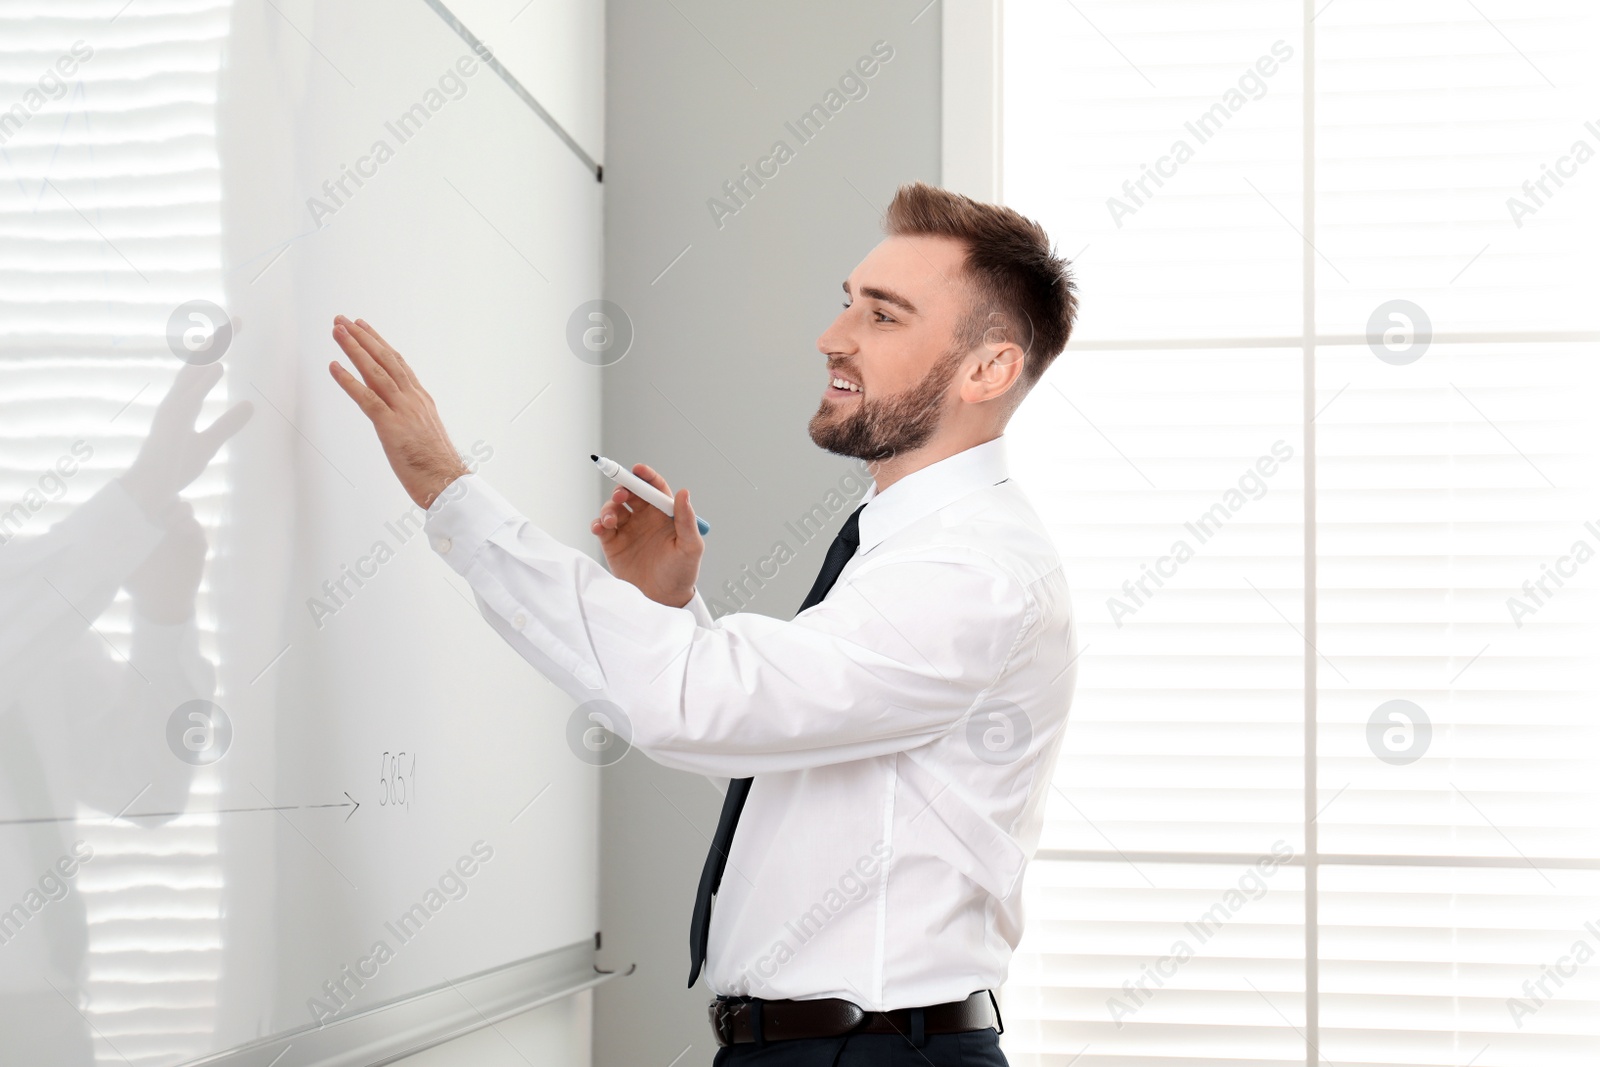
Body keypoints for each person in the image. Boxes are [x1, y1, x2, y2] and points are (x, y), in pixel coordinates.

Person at [329, 182, 1079, 1066]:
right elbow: (784, 738)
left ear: (986, 370)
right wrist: (668, 606)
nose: (833, 336)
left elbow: (704, 706)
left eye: (882, 316)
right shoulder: (912, 548)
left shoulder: (970, 570)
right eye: (848, 302)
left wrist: (450, 493)